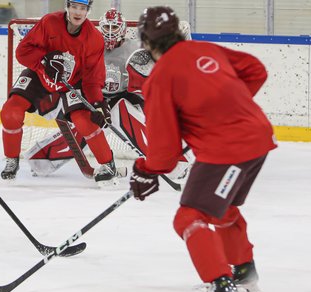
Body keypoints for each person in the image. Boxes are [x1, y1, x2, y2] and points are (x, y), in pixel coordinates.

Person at [129, 6, 277, 292]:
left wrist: (145, 170)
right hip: (258, 138)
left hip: (227, 151)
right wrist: (225, 108)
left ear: (146, 42)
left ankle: (220, 283)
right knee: (223, 210)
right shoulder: (205, 48)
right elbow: (255, 71)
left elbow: (164, 151)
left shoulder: (160, 78)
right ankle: (245, 274)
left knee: (188, 217)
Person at [25, 8, 195, 186]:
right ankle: (40, 161)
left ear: (122, 29)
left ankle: (174, 163)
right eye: (108, 28)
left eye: (115, 28)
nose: (111, 33)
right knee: (86, 127)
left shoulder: (136, 47)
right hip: (96, 98)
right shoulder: (91, 45)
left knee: (122, 111)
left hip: (126, 96)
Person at [0, 0, 117, 185]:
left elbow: (92, 78)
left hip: (70, 83)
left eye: (83, 8)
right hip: (40, 74)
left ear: (88, 11)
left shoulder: (93, 38)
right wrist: (45, 62)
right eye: (74, 7)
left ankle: (107, 163)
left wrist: (97, 104)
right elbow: (22, 52)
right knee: (10, 111)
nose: (78, 12)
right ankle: (11, 160)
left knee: (84, 120)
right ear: (67, 7)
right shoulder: (49, 22)